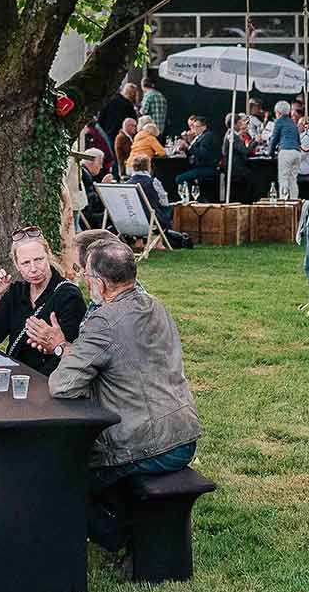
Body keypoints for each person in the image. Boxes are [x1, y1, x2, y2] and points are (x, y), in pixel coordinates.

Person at [46, 234, 202, 553]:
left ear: (101, 283)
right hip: (185, 431)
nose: (85, 282)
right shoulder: (156, 305)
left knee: (56, 474)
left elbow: (62, 385)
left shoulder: (104, 321)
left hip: (148, 443)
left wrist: (64, 349)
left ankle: (122, 536)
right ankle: (133, 526)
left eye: (87, 276)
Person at [0, 226, 86, 374]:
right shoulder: (16, 292)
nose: (33, 268)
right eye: (25, 263)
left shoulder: (69, 295)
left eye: (39, 260)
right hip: (16, 375)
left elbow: (74, 354)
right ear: (17, 265)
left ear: (48, 256)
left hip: (49, 379)